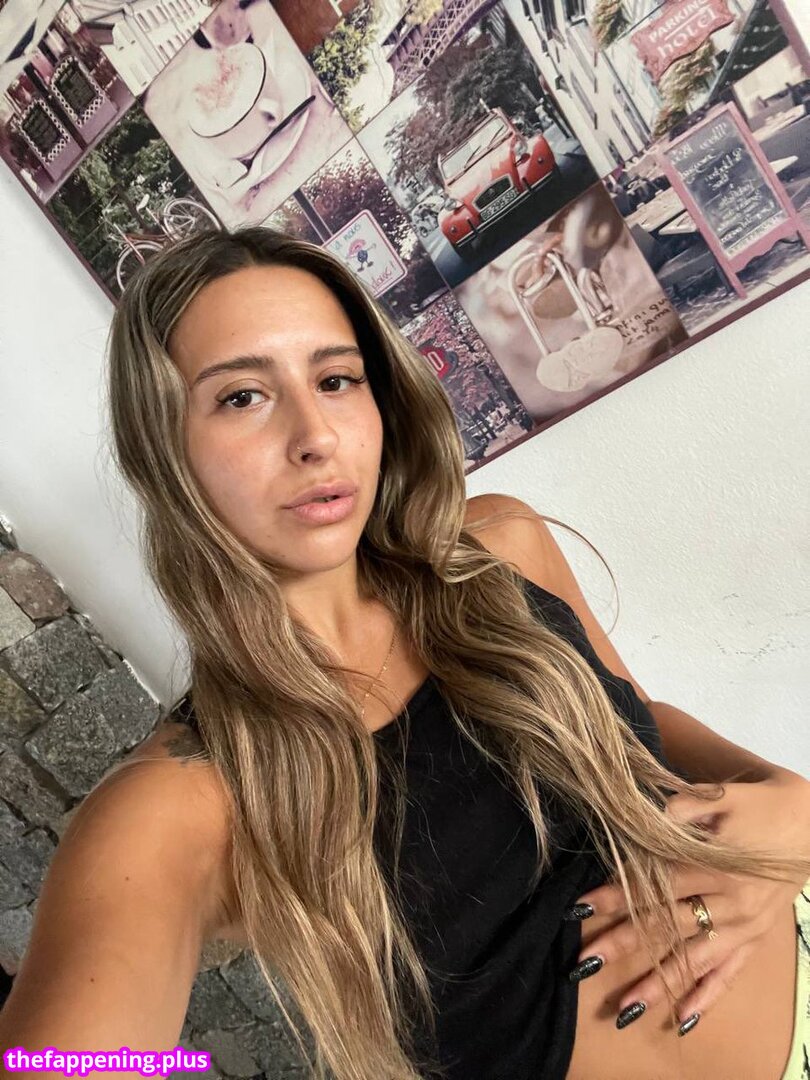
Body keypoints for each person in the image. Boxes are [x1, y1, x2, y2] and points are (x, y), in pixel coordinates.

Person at [0, 227, 808, 1080]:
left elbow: (635, 717)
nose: (316, 435)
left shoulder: (497, 549)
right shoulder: (183, 799)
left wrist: (791, 808)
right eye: (242, 397)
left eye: (336, 379)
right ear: (164, 451)